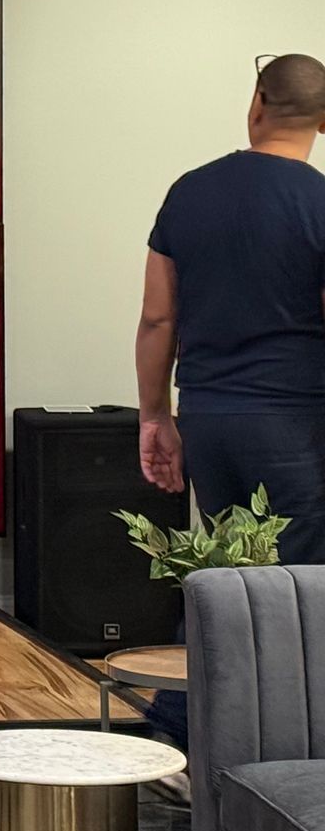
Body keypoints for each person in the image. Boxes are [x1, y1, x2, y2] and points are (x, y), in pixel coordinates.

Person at [137, 53, 325, 568]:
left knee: (231, 576)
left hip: (208, 419)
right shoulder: (320, 201)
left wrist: (154, 417)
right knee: (301, 588)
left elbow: (158, 318)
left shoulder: (188, 191)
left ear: (257, 104)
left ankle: (216, 654)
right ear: (324, 120)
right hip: (297, 422)